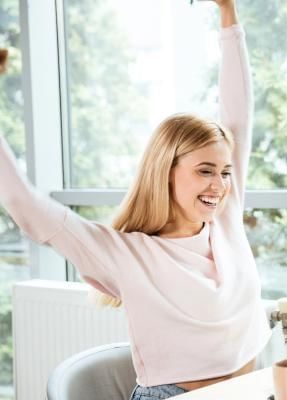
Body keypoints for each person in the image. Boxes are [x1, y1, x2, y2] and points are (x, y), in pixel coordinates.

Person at [0, 0, 272, 399]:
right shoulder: (125, 253)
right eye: (204, 171)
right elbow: (26, 206)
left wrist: (228, 12)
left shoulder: (225, 220)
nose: (220, 185)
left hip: (255, 389)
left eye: (225, 172)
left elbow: (237, 117)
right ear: (167, 170)